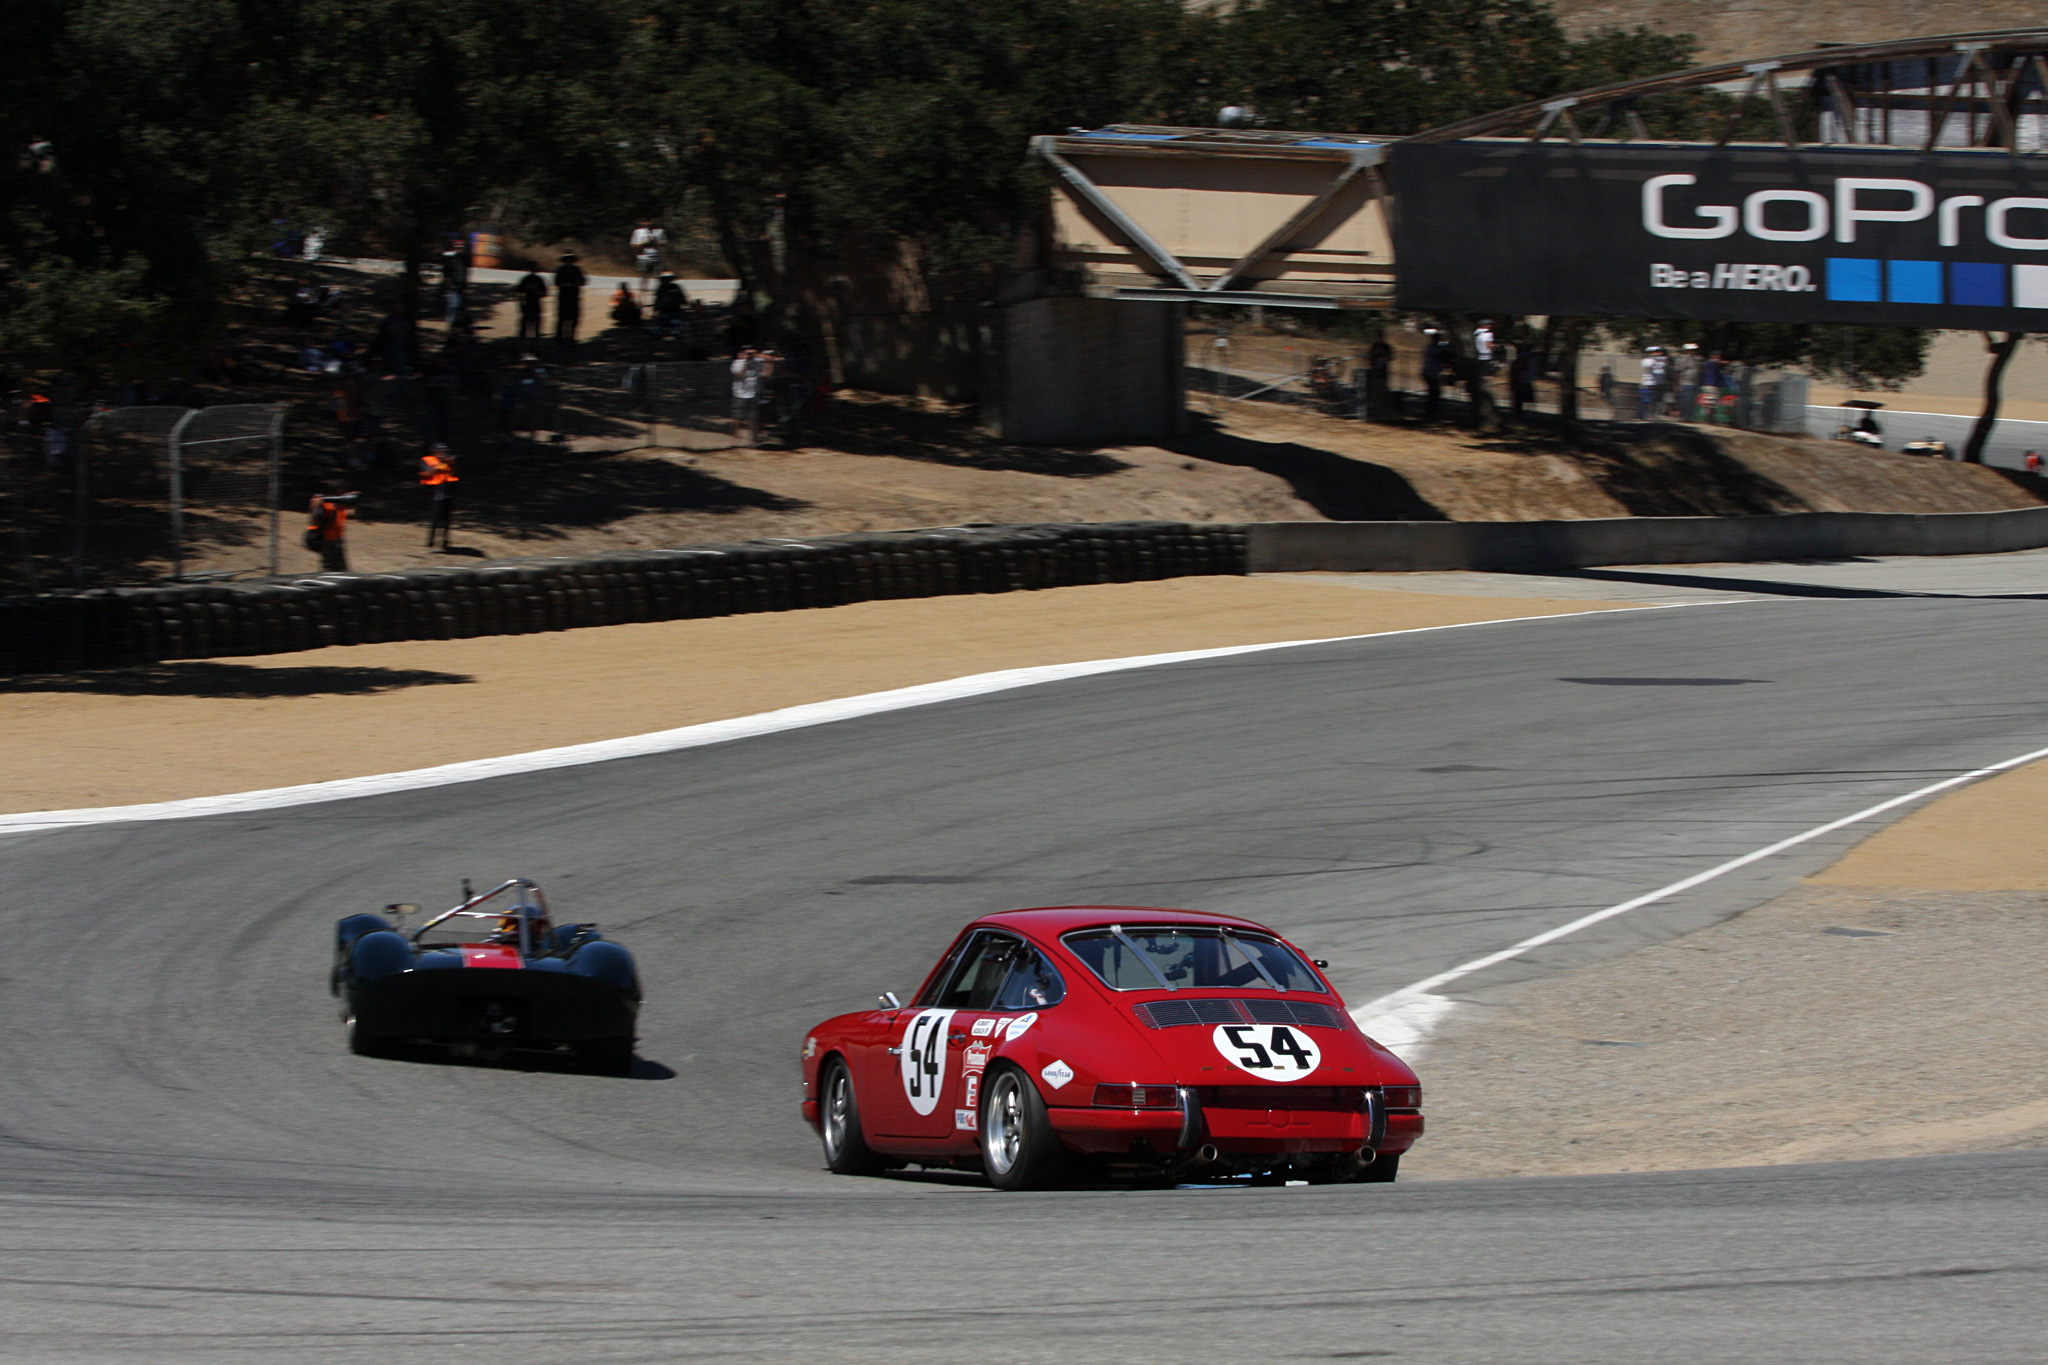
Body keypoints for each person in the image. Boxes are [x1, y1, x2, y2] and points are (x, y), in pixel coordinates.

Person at [419, 443, 459, 549]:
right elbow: (427, 474)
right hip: (434, 491)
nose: (443, 454)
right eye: (441, 452)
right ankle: (431, 540)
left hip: (446, 490)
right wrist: (438, 465)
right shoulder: (427, 460)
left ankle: (445, 541)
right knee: (435, 516)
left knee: (447, 517)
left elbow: (452, 474)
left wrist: (452, 464)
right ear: (435, 452)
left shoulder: (447, 462)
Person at [305, 492, 356, 572]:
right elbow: (316, 519)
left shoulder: (340, 503)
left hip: (337, 540)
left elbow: (351, 512)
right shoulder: (324, 503)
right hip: (328, 542)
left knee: (341, 570)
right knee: (329, 570)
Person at [730, 346, 768, 444]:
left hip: (753, 393)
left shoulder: (757, 363)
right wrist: (746, 362)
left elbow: (765, 375)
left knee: (753, 417)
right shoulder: (737, 363)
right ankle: (734, 438)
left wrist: (769, 362)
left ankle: (752, 439)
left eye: (751, 353)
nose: (750, 356)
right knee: (737, 417)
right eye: (748, 353)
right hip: (740, 393)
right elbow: (739, 374)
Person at [553, 253, 587, 345]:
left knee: (573, 318)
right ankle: (559, 337)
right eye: (567, 259)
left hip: (573, 297)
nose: (569, 261)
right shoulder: (561, 270)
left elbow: (583, 281)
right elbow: (556, 282)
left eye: (570, 259)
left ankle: (571, 337)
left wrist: (576, 283)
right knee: (562, 318)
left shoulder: (576, 270)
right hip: (564, 297)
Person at [1420, 329, 1450, 420]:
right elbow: (1441, 355)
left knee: (1433, 392)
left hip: (1431, 372)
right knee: (1434, 392)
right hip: (1431, 372)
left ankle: (1432, 411)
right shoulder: (1434, 348)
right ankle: (1431, 412)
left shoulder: (1430, 347)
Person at [630, 219, 665, 296]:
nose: (647, 224)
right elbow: (633, 245)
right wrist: (644, 243)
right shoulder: (637, 232)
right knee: (643, 275)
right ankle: (643, 290)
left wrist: (654, 242)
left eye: (649, 221)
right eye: (645, 222)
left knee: (658, 276)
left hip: (656, 257)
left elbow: (663, 243)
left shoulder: (660, 231)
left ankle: (659, 290)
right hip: (643, 257)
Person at [652, 273, 686, 339]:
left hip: (672, 312)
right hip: (669, 312)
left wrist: (655, 310)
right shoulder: (663, 288)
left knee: (664, 321)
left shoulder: (671, 287)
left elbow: (657, 301)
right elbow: (683, 300)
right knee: (662, 321)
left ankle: (669, 330)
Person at [516, 269, 547, 340]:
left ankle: (535, 333)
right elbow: (519, 290)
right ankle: (524, 333)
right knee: (526, 318)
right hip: (528, 301)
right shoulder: (527, 279)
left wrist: (538, 294)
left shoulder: (538, 279)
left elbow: (544, 292)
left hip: (535, 301)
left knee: (535, 318)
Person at [1638, 346, 1668, 419]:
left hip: (1659, 382)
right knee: (1647, 400)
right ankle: (1646, 415)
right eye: (1656, 352)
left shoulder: (1662, 361)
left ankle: (1655, 414)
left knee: (1657, 399)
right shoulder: (1646, 360)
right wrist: (1654, 359)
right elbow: (1647, 366)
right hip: (1648, 382)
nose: (1658, 353)